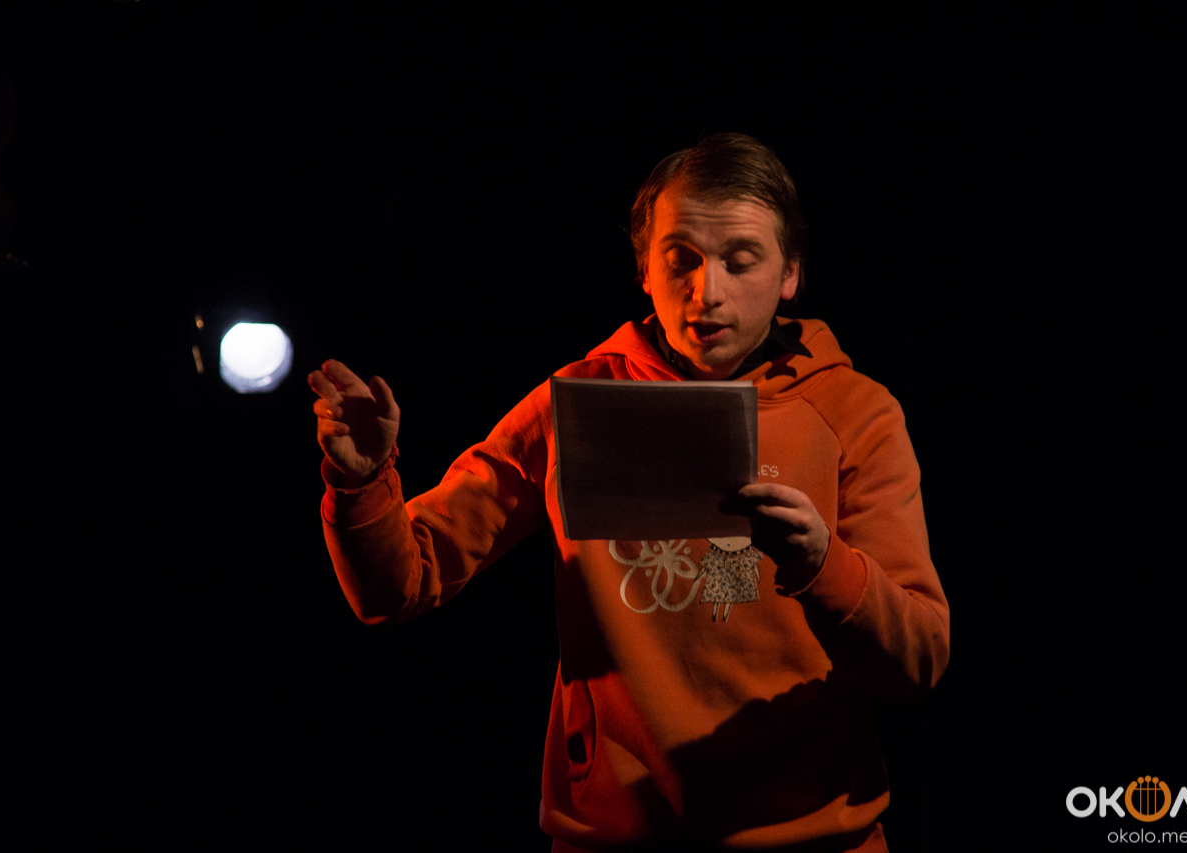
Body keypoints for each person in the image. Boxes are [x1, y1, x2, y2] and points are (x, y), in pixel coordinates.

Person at [309, 133, 949, 852]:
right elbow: (401, 583)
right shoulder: (576, 403)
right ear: (645, 268)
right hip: (612, 836)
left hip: (814, 837)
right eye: (682, 258)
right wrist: (362, 481)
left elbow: (919, 658)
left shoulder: (855, 413)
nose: (707, 292)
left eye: (741, 260)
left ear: (790, 273)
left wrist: (822, 564)